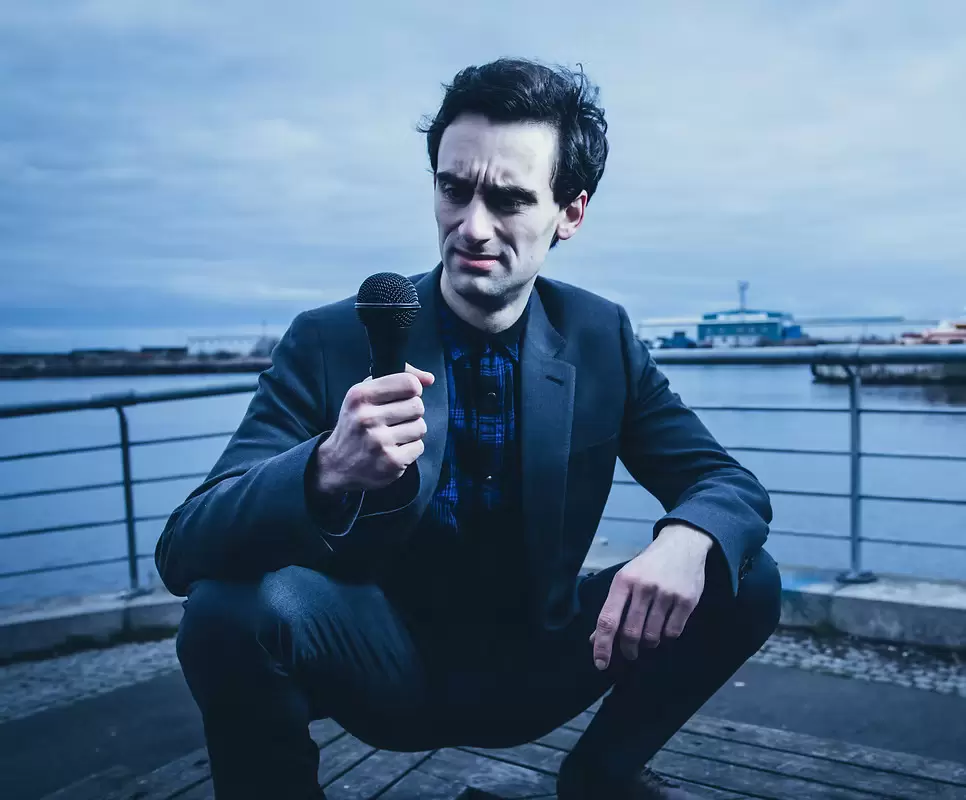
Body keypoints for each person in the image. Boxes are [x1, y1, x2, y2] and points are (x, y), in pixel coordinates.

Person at [156, 58, 782, 800]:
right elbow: (184, 547)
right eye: (454, 189)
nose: (472, 227)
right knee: (226, 613)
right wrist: (323, 470)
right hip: (381, 662)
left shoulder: (600, 336)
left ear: (571, 213)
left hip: (543, 660)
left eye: (509, 199)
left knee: (743, 576)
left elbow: (725, 482)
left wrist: (687, 537)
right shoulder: (329, 339)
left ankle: (603, 774)